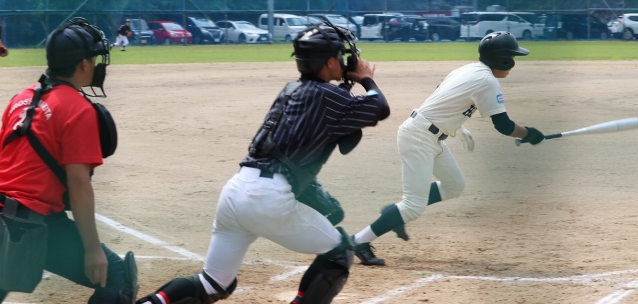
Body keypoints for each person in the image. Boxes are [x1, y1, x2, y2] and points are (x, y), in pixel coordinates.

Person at [136, 22, 390, 304]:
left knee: (213, 283)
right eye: (340, 56)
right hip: (267, 199)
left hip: (235, 193)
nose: (344, 61)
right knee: (340, 251)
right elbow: (379, 107)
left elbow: (290, 150)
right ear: (329, 62)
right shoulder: (327, 95)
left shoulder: (291, 90)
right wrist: (366, 79)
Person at [352, 31, 546, 266]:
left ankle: (394, 213)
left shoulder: (469, 69)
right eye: (512, 57)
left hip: (427, 135)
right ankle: (360, 241)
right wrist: (530, 134)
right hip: (419, 137)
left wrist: (458, 126)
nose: (513, 63)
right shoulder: (487, 81)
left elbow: (442, 95)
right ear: (501, 59)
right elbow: (503, 126)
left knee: (455, 185)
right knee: (413, 206)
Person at [0, 17, 138, 303]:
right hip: (33, 225)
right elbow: (79, 186)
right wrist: (92, 250)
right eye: (94, 58)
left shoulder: (20, 99)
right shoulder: (78, 109)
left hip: (4, 215)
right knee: (116, 277)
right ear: (84, 65)